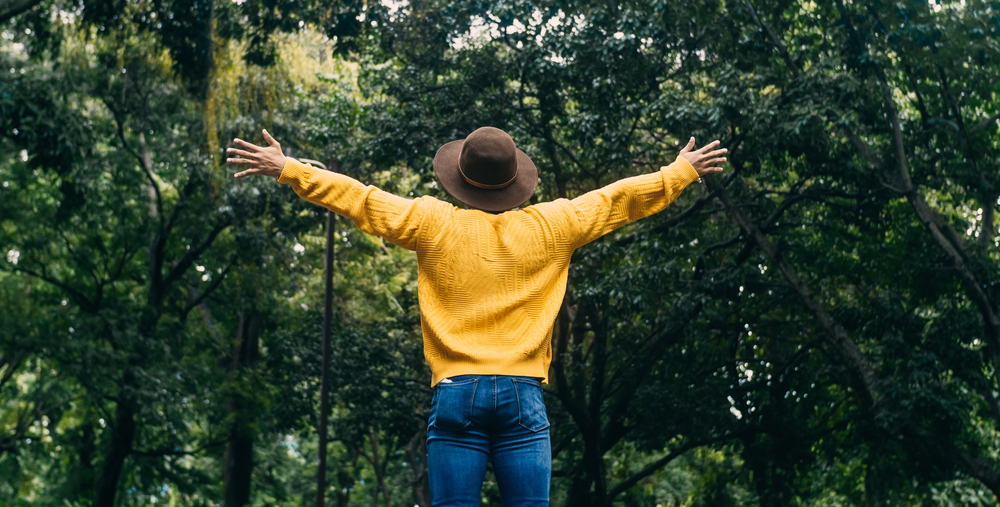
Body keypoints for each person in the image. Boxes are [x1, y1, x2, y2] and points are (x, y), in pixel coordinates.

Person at [226, 126, 726, 507]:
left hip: (456, 393)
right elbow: (620, 199)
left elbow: (362, 199)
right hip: (522, 397)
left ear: (460, 179)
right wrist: (681, 170)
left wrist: (289, 168)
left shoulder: (431, 221)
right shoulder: (556, 224)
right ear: (516, 181)